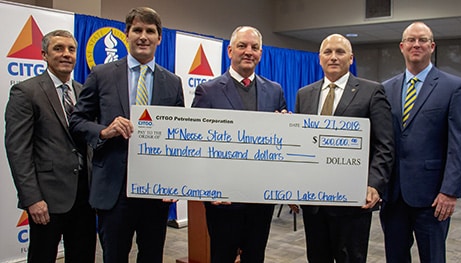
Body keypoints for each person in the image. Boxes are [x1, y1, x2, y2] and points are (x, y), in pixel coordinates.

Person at [69, 7, 184, 263]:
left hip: (154, 191)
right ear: (127, 34)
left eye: (150, 31)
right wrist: (104, 131)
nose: (143, 36)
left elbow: (177, 137)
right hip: (114, 188)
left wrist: (175, 180)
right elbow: (77, 121)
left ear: (159, 38)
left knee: (152, 256)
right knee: (114, 256)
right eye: (138, 30)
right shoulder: (102, 74)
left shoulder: (172, 82)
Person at [294, 34, 394, 262]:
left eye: (340, 52)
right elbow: (300, 142)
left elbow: (384, 145)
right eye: (328, 52)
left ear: (351, 58)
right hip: (314, 202)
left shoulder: (372, 91)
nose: (333, 57)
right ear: (319, 58)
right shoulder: (304, 94)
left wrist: (374, 184)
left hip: (352, 201)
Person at [192, 25, 287, 263]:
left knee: (255, 256)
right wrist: (208, 188)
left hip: (261, 197)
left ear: (261, 54)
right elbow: (196, 143)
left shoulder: (274, 91)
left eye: (254, 47)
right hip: (223, 197)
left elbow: (282, 143)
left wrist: (287, 127)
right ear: (230, 50)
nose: (248, 51)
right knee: (222, 256)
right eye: (242, 46)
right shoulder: (208, 90)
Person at [380, 21, 461, 263]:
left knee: (432, 257)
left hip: (432, 198)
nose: (416, 44)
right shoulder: (386, 89)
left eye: (422, 40)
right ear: (402, 46)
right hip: (393, 196)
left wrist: (449, 191)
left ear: (432, 46)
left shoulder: (453, 87)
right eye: (411, 40)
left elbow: (459, 144)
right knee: (395, 257)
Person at [4, 30, 96, 263]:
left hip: (85, 197)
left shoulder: (83, 91)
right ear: (44, 54)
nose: (66, 54)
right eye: (58, 49)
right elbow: (18, 150)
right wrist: (32, 198)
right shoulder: (26, 92)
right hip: (48, 199)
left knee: (83, 256)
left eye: (71, 49)